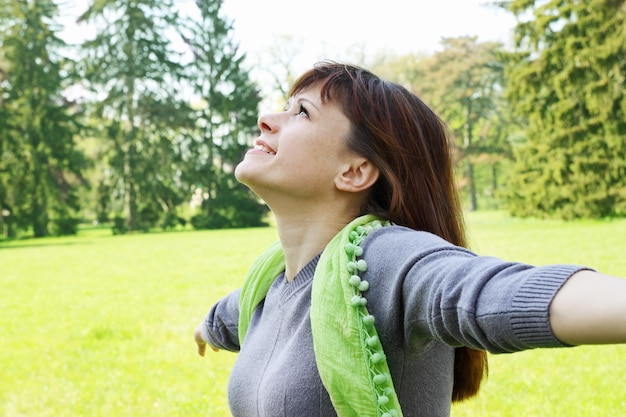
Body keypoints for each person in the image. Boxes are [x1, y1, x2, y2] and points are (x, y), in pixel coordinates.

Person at [194, 61, 626, 417]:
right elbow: (233, 315)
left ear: (355, 172)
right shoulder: (269, 285)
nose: (267, 119)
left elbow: (486, 294)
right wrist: (207, 327)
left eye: (302, 112)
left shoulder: (380, 261)